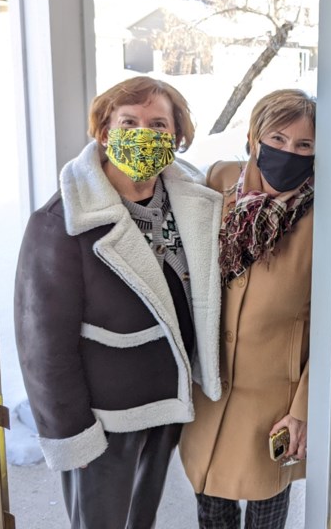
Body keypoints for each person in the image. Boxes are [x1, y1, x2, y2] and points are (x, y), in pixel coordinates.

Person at [14, 76, 224, 528]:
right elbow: (43, 347)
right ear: (106, 132)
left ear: (178, 137)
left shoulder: (191, 204)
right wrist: (72, 434)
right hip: (103, 421)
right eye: (129, 121)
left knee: (141, 520)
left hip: (166, 406)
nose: (144, 134)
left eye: (159, 124)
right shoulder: (60, 222)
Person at [179, 89, 316, 529]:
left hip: (274, 402)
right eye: (277, 138)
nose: (287, 153)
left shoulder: (324, 215)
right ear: (254, 137)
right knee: (211, 506)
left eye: (304, 145)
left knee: (266, 513)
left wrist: (304, 410)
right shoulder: (218, 183)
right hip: (210, 388)